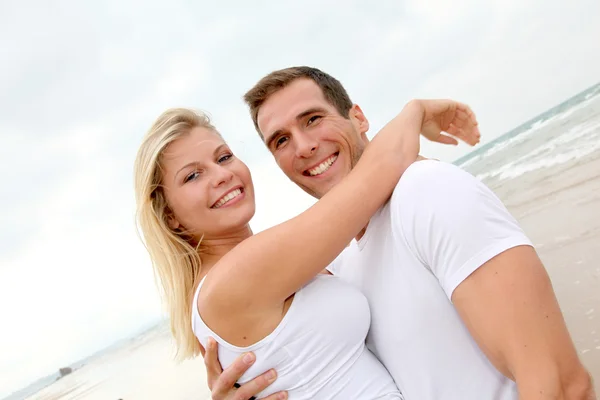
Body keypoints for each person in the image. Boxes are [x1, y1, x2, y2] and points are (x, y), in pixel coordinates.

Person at [203, 67, 596, 400]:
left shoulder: (427, 193)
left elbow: (560, 383)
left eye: (313, 119)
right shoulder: (336, 265)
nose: (304, 147)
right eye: (282, 140)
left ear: (358, 118)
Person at [133, 100, 479, 399]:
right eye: (193, 176)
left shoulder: (239, 277)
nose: (221, 175)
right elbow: (378, 171)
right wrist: (416, 110)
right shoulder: (232, 277)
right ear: (170, 217)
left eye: (223, 157)